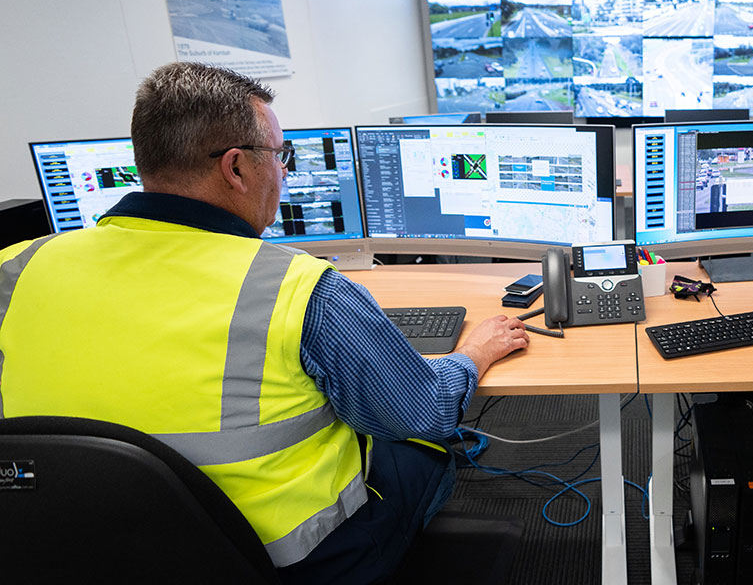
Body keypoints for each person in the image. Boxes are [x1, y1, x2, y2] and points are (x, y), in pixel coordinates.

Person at [0, 62, 530, 583]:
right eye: (281, 156)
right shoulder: (298, 287)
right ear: (236, 167)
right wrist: (474, 352)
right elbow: (422, 412)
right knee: (425, 447)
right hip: (290, 559)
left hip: (71, 545)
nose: (284, 171)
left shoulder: (16, 268)